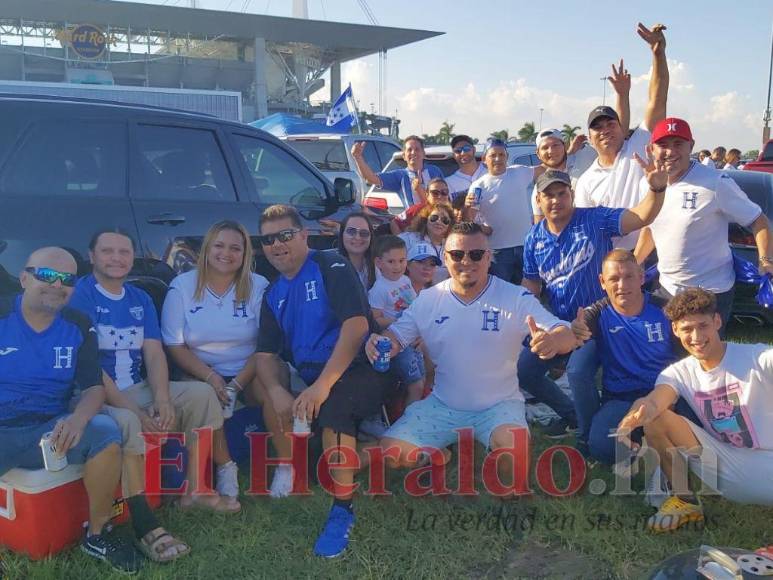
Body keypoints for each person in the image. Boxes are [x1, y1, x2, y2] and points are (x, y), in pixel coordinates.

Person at [366, 222, 577, 496]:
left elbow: (565, 332)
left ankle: (487, 444)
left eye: (476, 254)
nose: (466, 261)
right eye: (457, 255)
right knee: (392, 455)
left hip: (498, 405)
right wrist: (379, 342)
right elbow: (396, 337)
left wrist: (553, 341)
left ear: (489, 257)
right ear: (445, 257)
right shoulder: (429, 299)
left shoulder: (514, 296)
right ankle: (442, 453)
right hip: (444, 404)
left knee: (512, 477)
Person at [254, 205, 396, 558]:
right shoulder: (272, 293)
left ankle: (342, 510)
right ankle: (395, 450)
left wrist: (322, 386)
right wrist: (276, 391)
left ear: (304, 235)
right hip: (318, 379)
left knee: (333, 409)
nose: (277, 245)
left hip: (362, 368)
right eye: (269, 239)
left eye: (285, 235)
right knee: (322, 467)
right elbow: (265, 355)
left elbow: (356, 326)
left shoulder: (330, 264)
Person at [70, 229, 219, 558]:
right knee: (126, 421)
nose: (116, 258)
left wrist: (163, 398)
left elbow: (154, 353)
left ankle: (194, 489)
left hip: (137, 387)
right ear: (91, 257)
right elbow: (92, 368)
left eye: (124, 252)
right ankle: (143, 522)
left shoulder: (139, 298)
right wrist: (139, 414)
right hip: (95, 394)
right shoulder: (81, 297)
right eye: (107, 251)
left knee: (201, 395)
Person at [0, 247, 139, 573]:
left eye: (67, 279)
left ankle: (97, 532)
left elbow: (93, 386)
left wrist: (79, 418)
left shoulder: (77, 323)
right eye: (47, 275)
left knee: (105, 431)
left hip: (51, 427)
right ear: (23, 278)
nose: (57, 284)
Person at [519, 164, 668, 450]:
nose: (555, 200)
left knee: (578, 371)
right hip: (558, 324)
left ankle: (587, 436)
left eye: (561, 193)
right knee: (525, 371)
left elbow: (639, 217)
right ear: (538, 200)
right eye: (547, 195)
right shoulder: (533, 237)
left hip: (598, 322)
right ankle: (573, 414)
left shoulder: (594, 218)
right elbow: (531, 283)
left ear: (571, 195)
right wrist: (525, 318)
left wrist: (656, 189)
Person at [617, 288, 773, 533]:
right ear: (675, 330)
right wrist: (637, 413)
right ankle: (685, 501)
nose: (696, 336)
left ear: (717, 321)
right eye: (687, 329)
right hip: (724, 465)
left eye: (703, 325)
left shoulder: (756, 357)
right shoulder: (677, 372)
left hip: (768, 464)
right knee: (656, 421)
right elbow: (656, 400)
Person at [161, 221, 270, 509]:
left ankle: (285, 463)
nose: (226, 253)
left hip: (249, 367)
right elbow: (175, 345)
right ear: (207, 249)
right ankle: (226, 466)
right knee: (208, 396)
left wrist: (236, 384)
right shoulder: (182, 286)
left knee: (273, 387)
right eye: (219, 245)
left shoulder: (258, 285)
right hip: (200, 368)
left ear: (245, 253)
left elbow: (266, 345)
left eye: (236, 247)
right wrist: (212, 378)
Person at [633, 118, 773, 336]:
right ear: (651, 149)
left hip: (710, 292)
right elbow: (650, 227)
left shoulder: (716, 183)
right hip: (667, 288)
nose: (670, 151)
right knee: (669, 360)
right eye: (663, 145)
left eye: (678, 144)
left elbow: (759, 220)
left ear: (692, 145)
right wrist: (636, 263)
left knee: (706, 361)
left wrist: (765, 260)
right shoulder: (648, 183)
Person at [571, 250, 680, 464]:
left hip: (663, 395)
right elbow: (572, 334)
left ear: (641, 277)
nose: (622, 285)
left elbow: (689, 355)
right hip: (621, 398)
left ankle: (650, 434)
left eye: (629, 276)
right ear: (602, 282)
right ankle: (630, 435)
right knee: (602, 448)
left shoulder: (666, 309)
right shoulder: (597, 313)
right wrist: (569, 331)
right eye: (614, 279)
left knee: (696, 438)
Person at [574, 23, 669, 250]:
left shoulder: (637, 148)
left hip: (652, 253)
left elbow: (657, 100)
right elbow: (587, 232)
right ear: (589, 137)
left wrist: (658, 54)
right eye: (598, 127)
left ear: (621, 129)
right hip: (613, 263)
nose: (605, 130)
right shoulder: (586, 181)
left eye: (611, 123)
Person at [531, 59, 631, 222]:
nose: (551, 151)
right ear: (538, 153)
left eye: (556, 145)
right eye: (545, 148)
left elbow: (618, 136)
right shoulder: (540, 187)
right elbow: (541, 224)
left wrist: (622, 95)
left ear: (564, 146)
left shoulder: (585, 156)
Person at [463, 138, 536, 284]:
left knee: (529, 294)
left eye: (502, 155)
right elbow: (468, 221)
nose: (498, 159)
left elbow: (546, 169)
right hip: (498, 253)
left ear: (507, 157)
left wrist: (569, 152)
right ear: (484, 159)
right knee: (501, 295)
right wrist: (467, 206)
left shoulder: (520, 172)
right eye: (493, 155)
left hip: (526, 247)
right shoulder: (479, 186)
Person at [368, 235, 426, 407]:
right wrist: (396, 318)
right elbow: (375, 320)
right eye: (391, 261)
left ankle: (412, 411)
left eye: (402, 260)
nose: (398, 266)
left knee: (422, 378)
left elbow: (416, 307)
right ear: (379, 263)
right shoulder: (378, 290)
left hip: (413, 339)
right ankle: (409, 423)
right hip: (397, 344)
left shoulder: (406, 280)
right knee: (415, 384)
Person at [351, 135, 443, 209]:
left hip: (438, 223)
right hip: (414, 227)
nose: (413, 152)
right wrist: (358, 157)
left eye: (417, 149)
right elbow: (370, 179)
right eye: (409, 150)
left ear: (423, 153)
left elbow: (445, 198)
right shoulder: (400, 176)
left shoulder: (434, 171)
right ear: (404, 156)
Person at [400, 202, 455, 284]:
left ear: (449, 225)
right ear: (425, 220)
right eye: (434, 218)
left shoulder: (453, 246)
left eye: (445, 220)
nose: (439, 222)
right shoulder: (408, 239)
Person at [337, 212, 376, 289]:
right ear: (342, 234)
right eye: (351, 231)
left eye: (364, 233)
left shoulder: (380, 266)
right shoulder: (329, 268)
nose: (357, 237)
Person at [445, 134, 487, 200]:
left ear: (474, 150)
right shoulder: (448, 182)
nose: (463, 153)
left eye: (466, 149)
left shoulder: (489, 170)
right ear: (453, 155)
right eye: (458, 151)